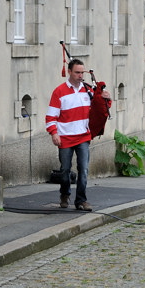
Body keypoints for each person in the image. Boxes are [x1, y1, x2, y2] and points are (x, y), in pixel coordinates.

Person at [46, 59, 109, 211]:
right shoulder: (59, 91)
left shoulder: (88, 90)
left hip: (83, 136)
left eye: (82, 72)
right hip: (65, 137)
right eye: (77, 72)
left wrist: (105, 98)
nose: (80, 75)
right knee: (65, 170)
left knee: (84, 169)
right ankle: (65, 194)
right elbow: (50, 116)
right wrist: (54, 133)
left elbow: (99, 107)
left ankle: (81, 200)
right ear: (69, 72)